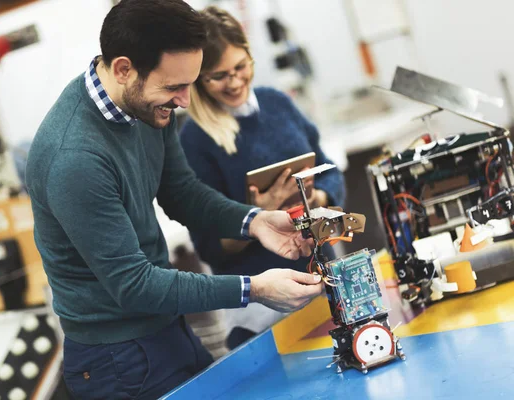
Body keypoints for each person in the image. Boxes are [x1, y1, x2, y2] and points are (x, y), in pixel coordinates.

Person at [25, 1, 323, 399]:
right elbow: (133, 285)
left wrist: (255, 221)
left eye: (189, 84)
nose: (185, 101)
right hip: (118, 359)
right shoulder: (75, 159)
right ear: (123, 69)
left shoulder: (146, 106)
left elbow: (182, 193)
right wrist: (254, 288)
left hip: (168, 327)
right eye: (173, 87)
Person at [179, 6, 346, 349]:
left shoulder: (277, 104)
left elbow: (330, 170)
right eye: (219, 75)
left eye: (241, 66)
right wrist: (257, 215)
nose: (235, 80)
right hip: (260, 315)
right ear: (198, 79)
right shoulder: (195, 140)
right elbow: (210, 248)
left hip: (323, 284)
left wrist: (319, 200)